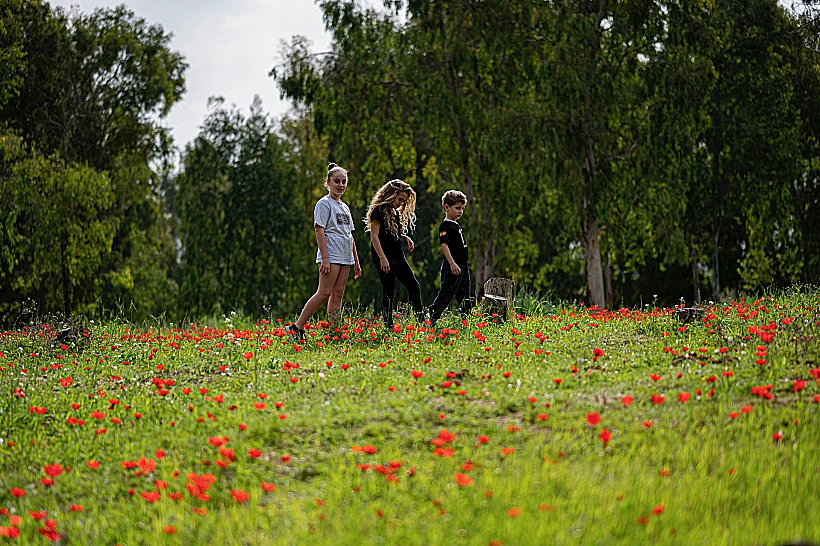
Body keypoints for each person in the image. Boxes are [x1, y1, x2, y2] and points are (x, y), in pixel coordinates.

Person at [286, 163, 361, 339]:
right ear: (328, 182)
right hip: (331, 255)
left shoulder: (345, 207)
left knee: (338, 293)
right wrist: (325, 259)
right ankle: (296, 328)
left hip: (345, 256)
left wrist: (356, 261)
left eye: (344, 181)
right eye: (337, 181)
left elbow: (350, 235)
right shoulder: (324, 204)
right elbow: (319, 230)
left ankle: (334, 332)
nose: (341, 185)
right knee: (324, 292)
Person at [365, 179, 422, 329]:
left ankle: (421, 321)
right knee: (389, 290)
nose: (401, 203)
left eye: (404, 201)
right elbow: (374, 236)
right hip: (383, 257)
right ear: (391, 194)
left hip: (397, 256)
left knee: (414, 286)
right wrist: (383, 258)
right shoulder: (378, 211)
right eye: (400, 199)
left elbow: (390, 233)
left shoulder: (394, 212)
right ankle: (388, 325)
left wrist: (404, 237)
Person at [428, 190, 474, 325]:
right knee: (447, 292)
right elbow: (444, 245)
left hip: (462, 266)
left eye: (462, 209)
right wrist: (452, 263)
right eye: (457, 208)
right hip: (452, 266)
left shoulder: (456, 225)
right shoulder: (445, 226)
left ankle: (467, 319)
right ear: (446, 207)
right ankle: (433, 316)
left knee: (465, 293)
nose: (460, 212)